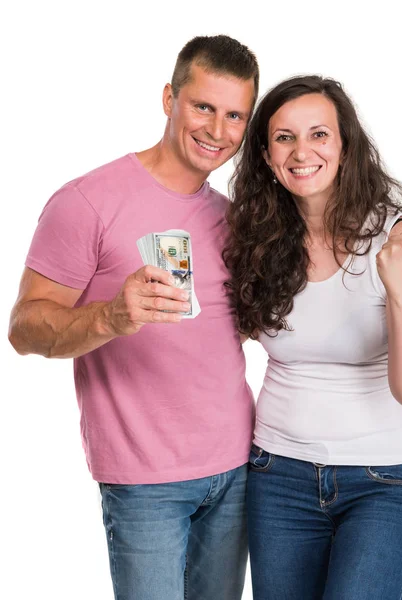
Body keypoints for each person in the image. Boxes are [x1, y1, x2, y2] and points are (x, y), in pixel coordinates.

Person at [8, 35, 258, 600]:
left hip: (239, 467)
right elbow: (24, 328)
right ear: (169, 98)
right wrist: (112, 317)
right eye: (203, 107)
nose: (218, 131)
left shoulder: (233, 217)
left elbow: (227, 332)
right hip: (144, 480)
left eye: (235, 115)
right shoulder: (86, 201)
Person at [223, 75, 402, 600]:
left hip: (382, 482)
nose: (303, 151)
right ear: (266, 154)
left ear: (345, 145)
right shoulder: (259, 239)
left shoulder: (397, 240)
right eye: (284, 137)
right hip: (277, 476)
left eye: (319, 134)